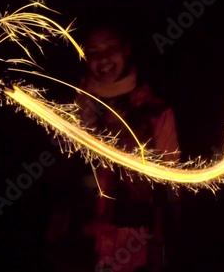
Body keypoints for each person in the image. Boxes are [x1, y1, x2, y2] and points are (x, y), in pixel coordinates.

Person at [73, 22, 182, 272]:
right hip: (79, 238)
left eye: (110, 49)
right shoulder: (70, 108)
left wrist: (169, 232)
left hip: (134, 241)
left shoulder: (155, 112)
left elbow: (172, 182)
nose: (103, 59)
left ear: (127, 49)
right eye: (93, 52)